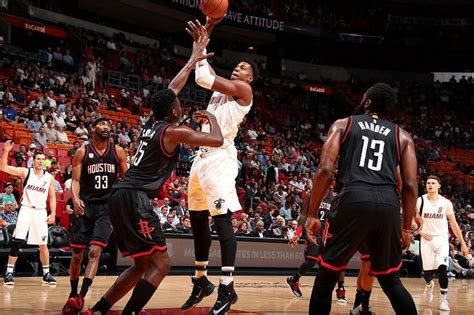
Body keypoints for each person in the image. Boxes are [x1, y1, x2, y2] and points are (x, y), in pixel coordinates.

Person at [84, 27, 222, 315]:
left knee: (141, 265)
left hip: (119, 195)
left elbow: (171, 89)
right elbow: (217, 140)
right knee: (162, 264)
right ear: (173, 111)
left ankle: (99, 309)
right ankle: (130, 312)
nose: (180, 103)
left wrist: (192, 60)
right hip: (134, 198)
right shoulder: (174, 131)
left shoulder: (152, 122)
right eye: (179, 105)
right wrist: (211, 118)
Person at [305, 83, 418, 314]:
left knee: (326, 276)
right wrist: (406, 228)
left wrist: (312, 214)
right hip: (388, 204)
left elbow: (325, 170)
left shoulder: (343, 124)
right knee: (391, 280)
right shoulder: (403, 136)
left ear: (367, 102)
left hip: (353, 198)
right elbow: (408, 185)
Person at [181, 19, 259, 314]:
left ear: (249, 79)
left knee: (222, 221)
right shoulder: (223, 89)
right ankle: (200, 280)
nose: (238, 69)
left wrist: (203, 45)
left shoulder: (242, 91)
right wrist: (204, 36)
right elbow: (201, 64)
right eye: (237, 66)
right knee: (198, 220)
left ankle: (227, 287)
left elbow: (201, 77)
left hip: (220, 158)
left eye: (244, 68)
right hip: (200, 158)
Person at [62, 118, 128, 313]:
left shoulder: (118, 151)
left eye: (109, 125)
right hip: (85, 205)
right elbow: (75, 180)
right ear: (93, 129)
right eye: (102, 125)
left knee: (94, 252)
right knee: (76, 255)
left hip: (106, 208)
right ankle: (72, 293)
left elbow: (128, 178)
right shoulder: (83, 151)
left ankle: (81, 296)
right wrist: (74, 198)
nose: (106, 127)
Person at [1, 142, 57, 286]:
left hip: (40, 211)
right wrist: (6, 151)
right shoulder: (26, 172)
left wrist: (53, 213)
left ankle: (46, 274)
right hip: (26, 208)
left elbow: (52, 197)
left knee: (43, 244)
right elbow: (4, 167)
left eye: (42, 159)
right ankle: (8, 272)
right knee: (17, 241)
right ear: (34, 160)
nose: (40, 161)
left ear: (45, 161)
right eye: (37, 158)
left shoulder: (49, 178)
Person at [417, 175, 469, 311]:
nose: (430, 185)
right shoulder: (420, 200)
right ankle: (429, 285)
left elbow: (454, 224)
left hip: (441, 239)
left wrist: (463, 243)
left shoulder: (446, 203)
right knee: (428, 273)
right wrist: (420, 231)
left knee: (442, 268)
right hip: (426, 238)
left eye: (433, 183)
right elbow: (411, 218)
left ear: (439, 186)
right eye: (428, 183)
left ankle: (443, 299)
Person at [287, 187, 347, 303]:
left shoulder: (335, 196)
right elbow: (303, 215)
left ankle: (340, 288)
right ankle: (294, 280)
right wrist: (297, 234)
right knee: (311, 261)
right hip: (313, 232)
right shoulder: (311, 195)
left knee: (339, 260)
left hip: (328, 232)